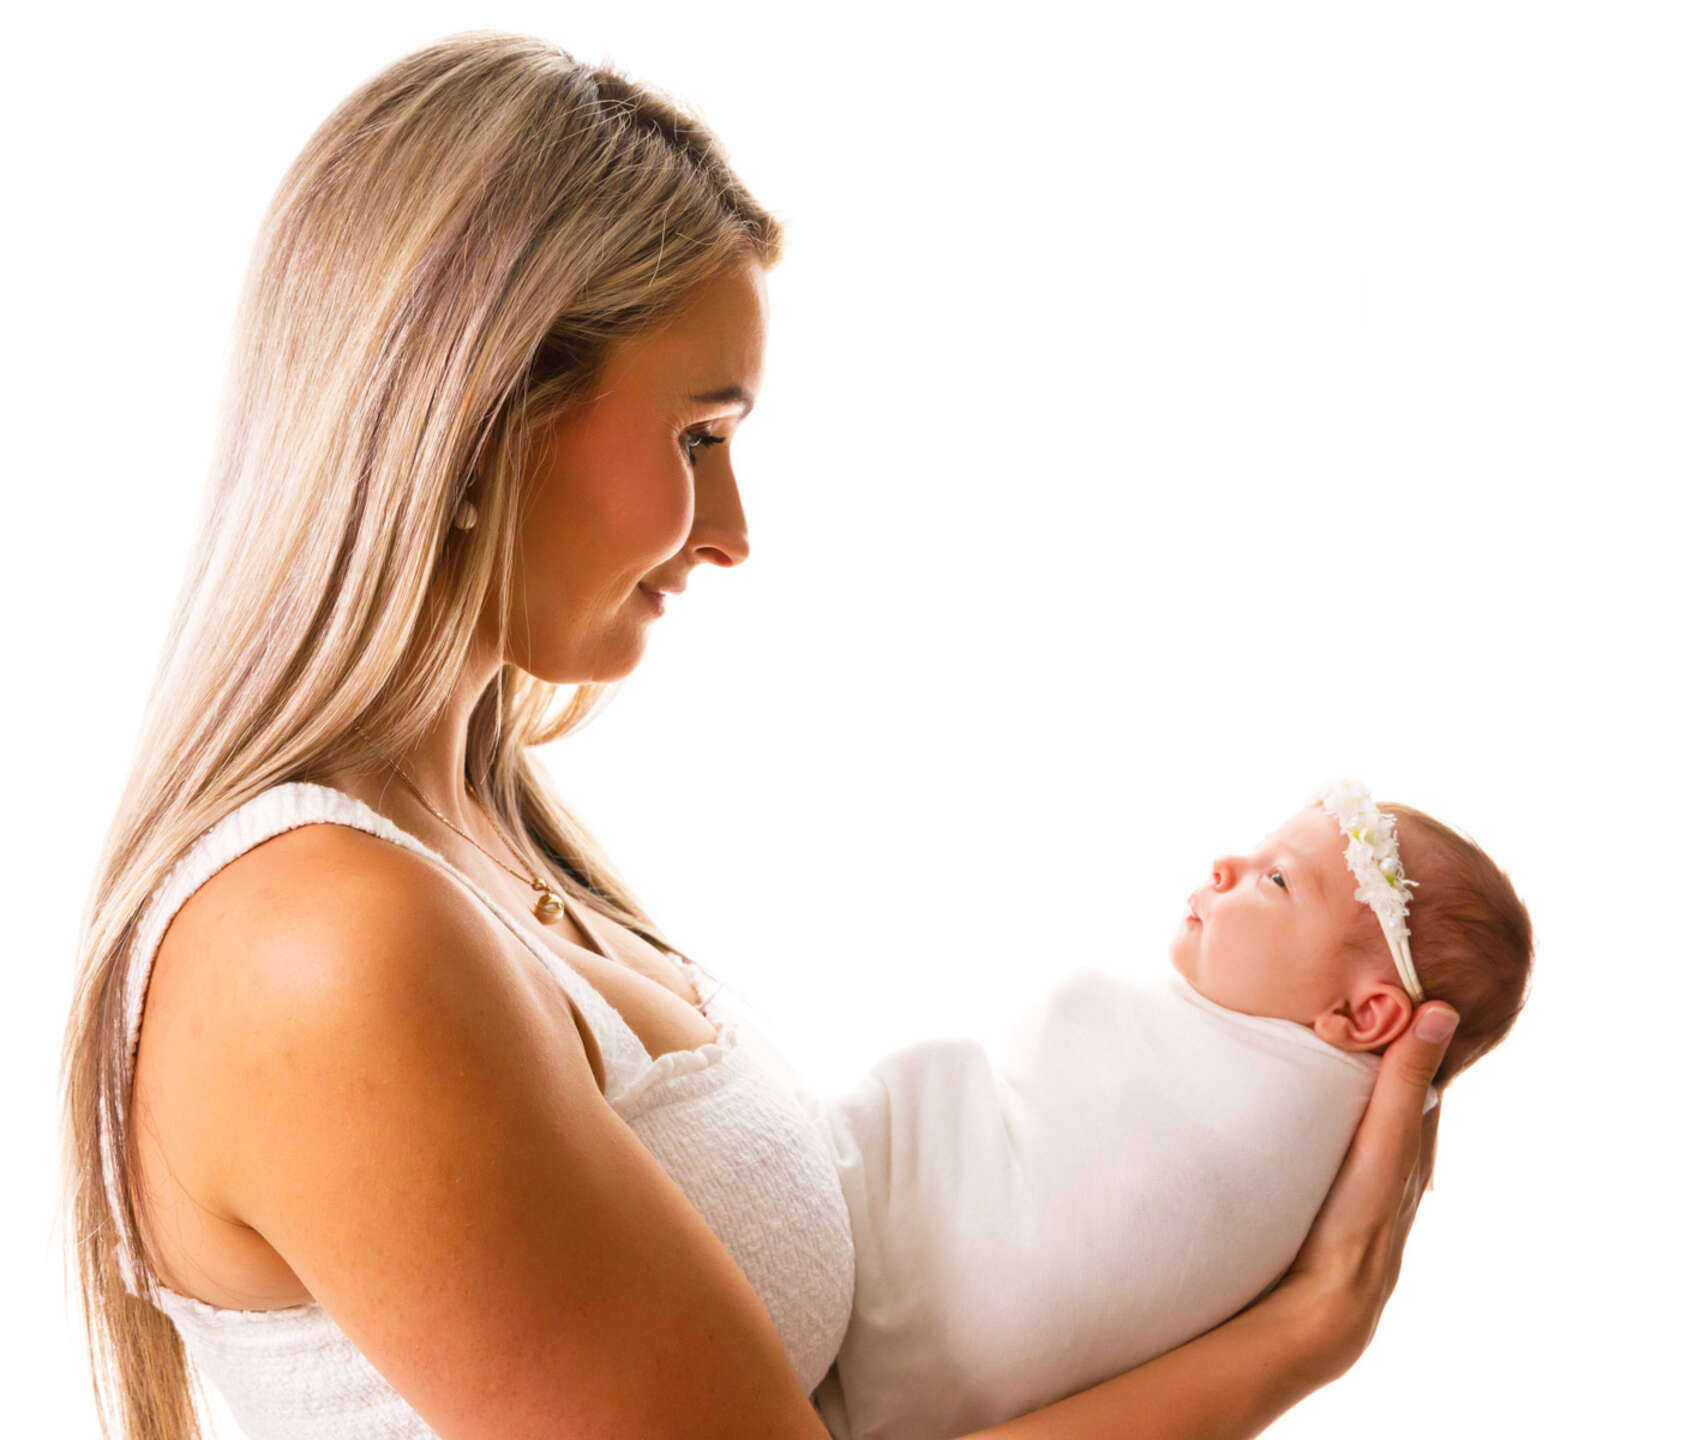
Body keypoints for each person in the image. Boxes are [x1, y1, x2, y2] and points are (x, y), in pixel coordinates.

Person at [57, 30, 1462, 1440]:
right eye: (698, 434)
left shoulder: (484, 848)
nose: (732, 532)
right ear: (487, 415)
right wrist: (1297, 1337)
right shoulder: (325, 945)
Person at [818, 783, 1532, 1439]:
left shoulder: (1293, 1123)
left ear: (1362, 1011)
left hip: (911, 1293)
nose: (1225, 866)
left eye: (1276, 880)